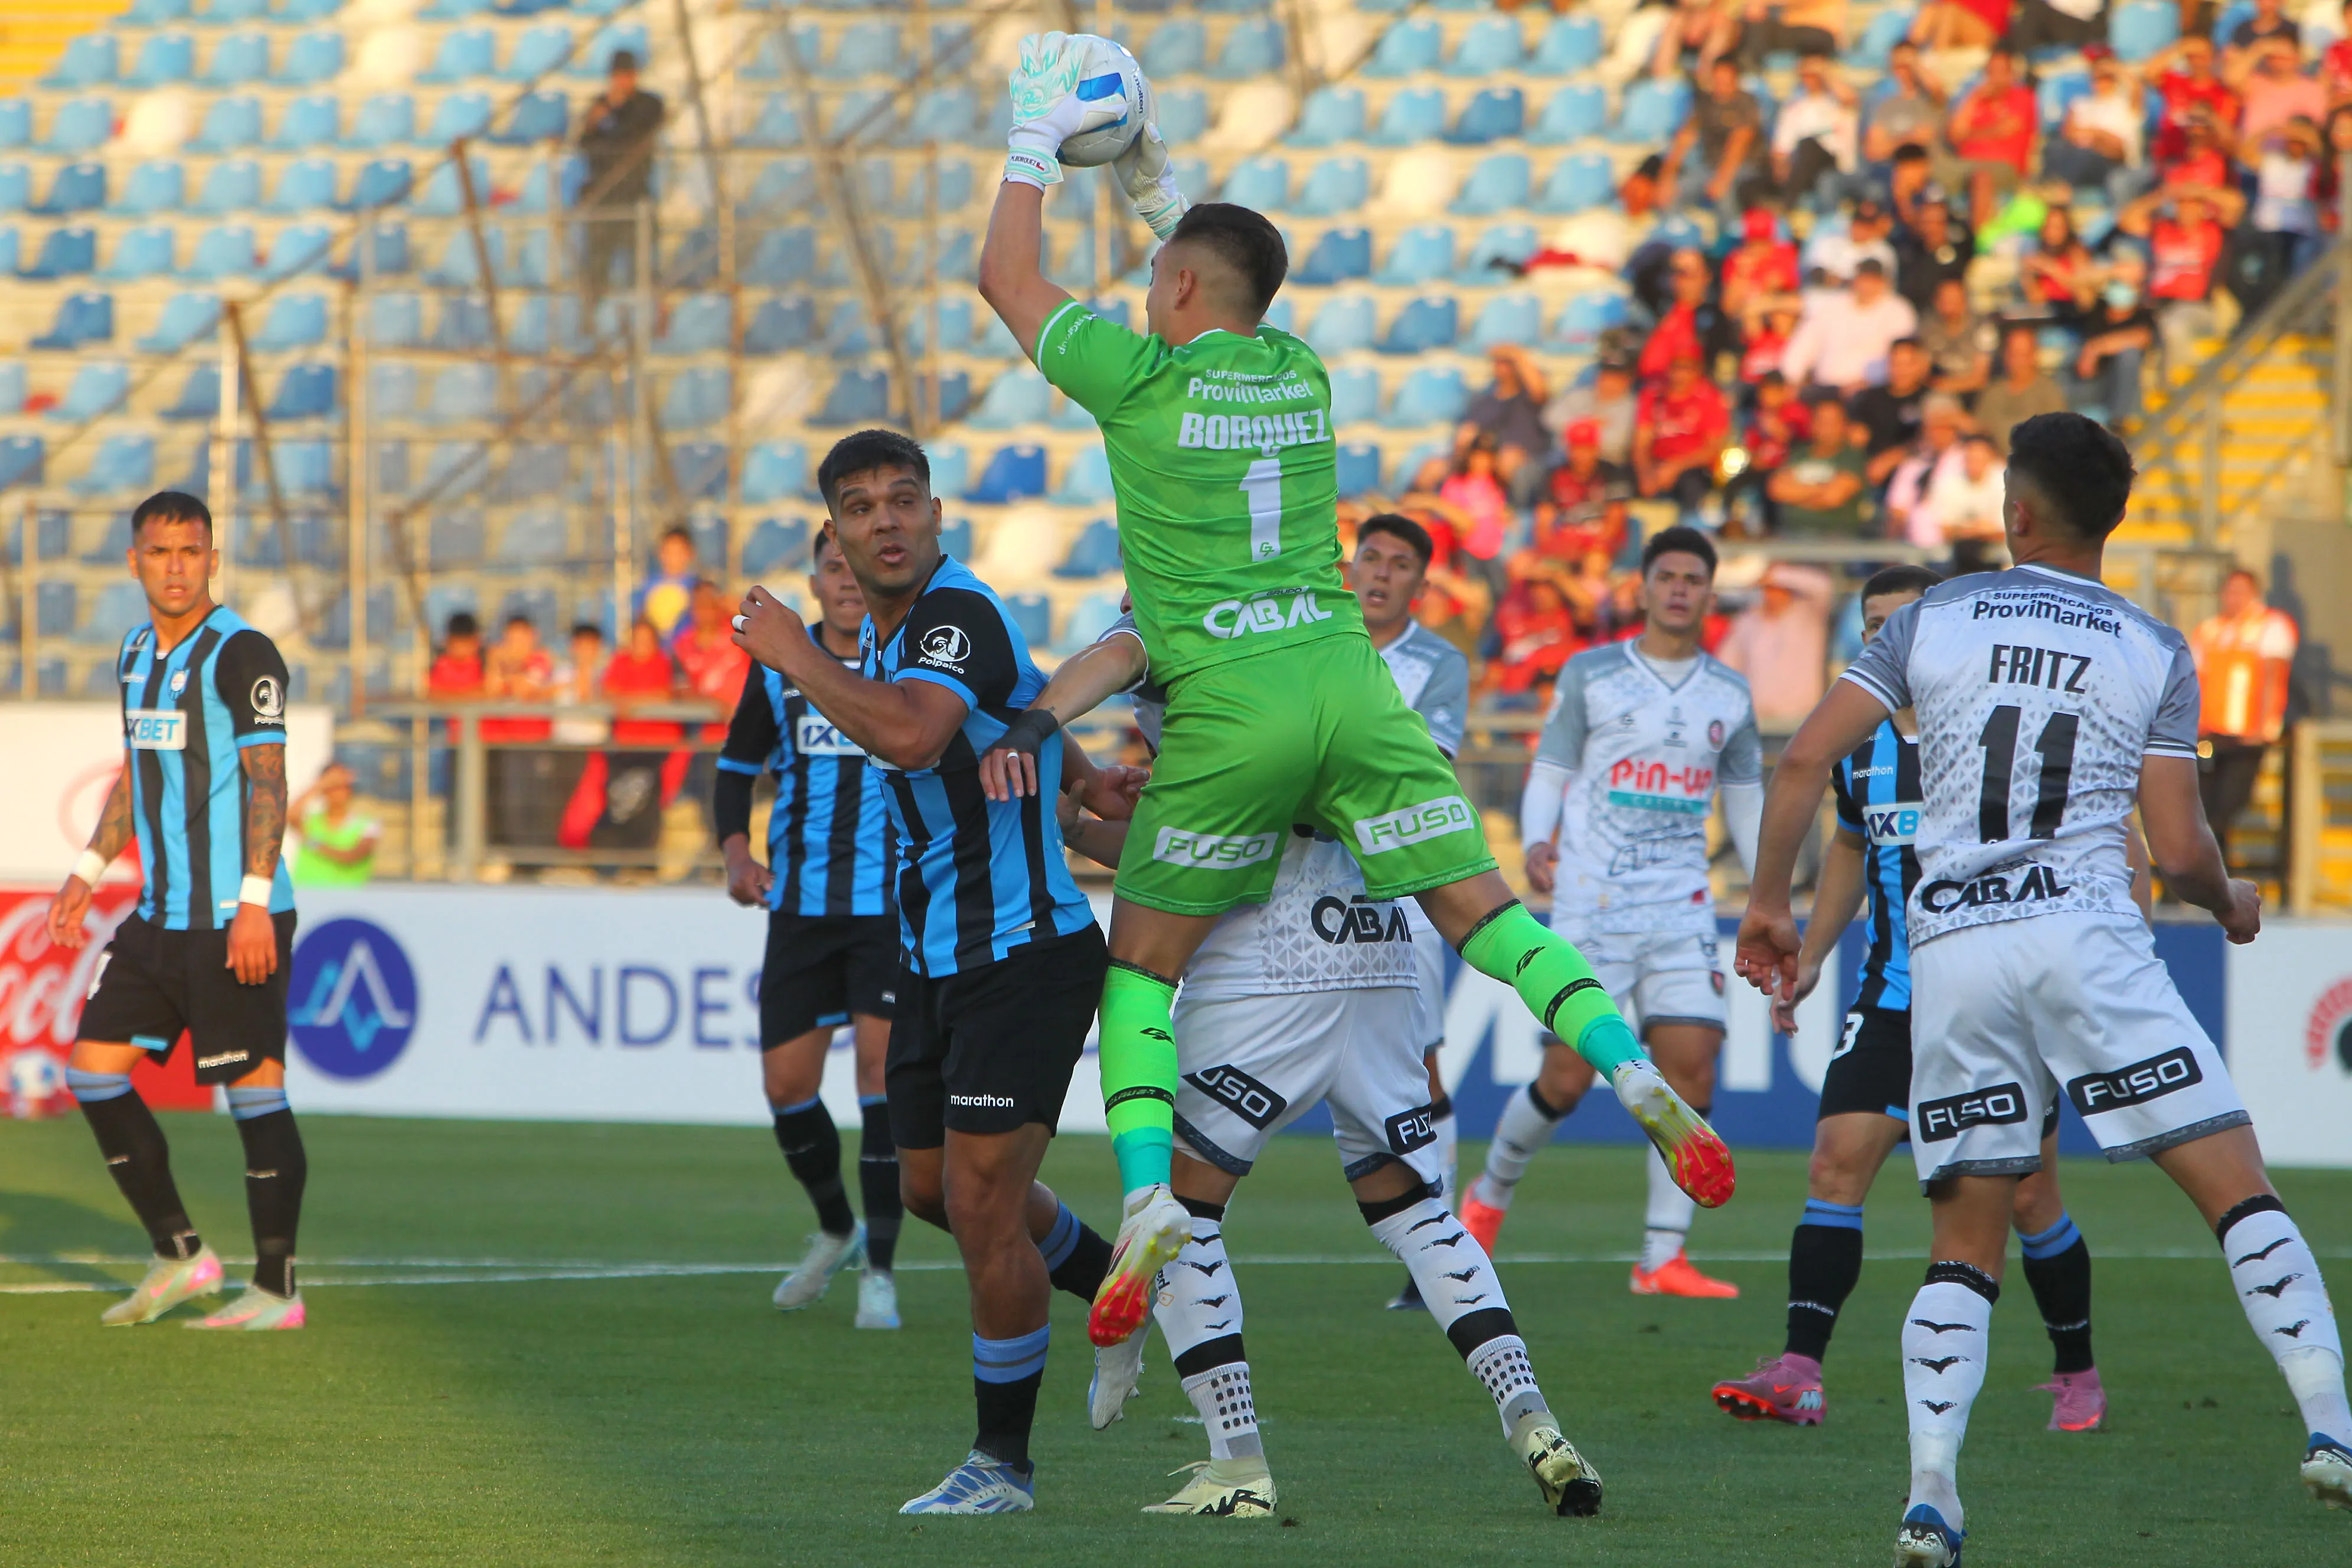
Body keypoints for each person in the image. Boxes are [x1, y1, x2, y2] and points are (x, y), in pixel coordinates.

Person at [976, 38, 1732, 1372]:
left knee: (1142, 967)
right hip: (1348, 683)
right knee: (1484, 912)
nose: (1144, 293)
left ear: (1183, 290)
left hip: (1229, 706)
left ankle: (1153, 1193)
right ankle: (1626, 1065)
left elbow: (1007, 276)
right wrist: (1155, 188)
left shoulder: (1139, 380)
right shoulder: (1301, 375)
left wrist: (1037, 147)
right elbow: (1227, 273)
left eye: (1156, 278)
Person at [1734, 412, 2352, 1562]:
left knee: (1965, 1238)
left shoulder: (1931, 615)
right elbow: (2176, 845)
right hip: (2088, 937)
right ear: (2112, 519)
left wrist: (1768, 900)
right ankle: (2331, 1424)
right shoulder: (2158, 647)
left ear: (2016, 513)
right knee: (2236, 1187)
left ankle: (1931, 1493)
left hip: (1958, 952)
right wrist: (2231, 903)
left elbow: (1809, 757)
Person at [1011, 517, 1605, 1517]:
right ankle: (1534, 1422)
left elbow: (1187, 848)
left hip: (1261, 961)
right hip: (1378, 948)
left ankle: (1234, 1462)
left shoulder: (1177, 626)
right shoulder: (1335, 637)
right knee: (1412, 1206)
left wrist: (1057, 799)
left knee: (1182, 1213)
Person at [729, 428, 1125, 1515]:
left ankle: (1002, 1465)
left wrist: (792, 657)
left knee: (981, 1201)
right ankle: (1146, 1294)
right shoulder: (885, 647)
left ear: (935, 516)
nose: (885, 520)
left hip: (1023, 956)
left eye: (903, 499)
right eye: (860, 508)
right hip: (933, 960)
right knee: (922, 1189)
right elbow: (1013, 713)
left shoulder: (954, 613)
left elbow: (913, 739)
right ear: (838, 540)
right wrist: (1080, 780)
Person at [1711, 565, 2112, 1433]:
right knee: (1834, 1163)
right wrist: (1812, 958)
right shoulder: (1857, 749)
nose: (1890, 640)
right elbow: (1853, 851)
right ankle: (1799, 1370)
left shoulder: (2002, 729)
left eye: (1906, 622)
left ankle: (2077, 1369)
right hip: (1892, 996)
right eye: (1875, 626)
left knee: (2032, 1197)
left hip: (2002, 1007)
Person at [1462, 528, 1763, 1300]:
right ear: (1642, 587)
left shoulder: (1728, 694)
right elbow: (1552, 766)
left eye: (1694, 579)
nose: (1678, 590)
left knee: (1692, 1068)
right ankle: (1487, 1201)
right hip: (1592, 900)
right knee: (1565, 1079)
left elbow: (1747, 798)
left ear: (1708, 592)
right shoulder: (1593, 673)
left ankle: (1662, 1257)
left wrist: (1765, 890)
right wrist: (1535, 840)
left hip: (1682, 906)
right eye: (1666, 576)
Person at [44, 490, 307, 1331]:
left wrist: (257, 905)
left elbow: (269, 780)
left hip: (238, 915)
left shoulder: (241, 654)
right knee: (91, 1070)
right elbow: (135, 774)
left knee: (254, 1095)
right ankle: (182, 1257)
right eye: (160, 552)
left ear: (211, 559)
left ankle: (275, 1291)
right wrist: (88, 868)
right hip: (161, 916)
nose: (175, 566)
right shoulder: (133, 655)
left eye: (190, 551)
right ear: (134, 561)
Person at [716, 529, 903, 1331]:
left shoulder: (906, 664)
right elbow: (733, 767)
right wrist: (734, 852)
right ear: (818, 583)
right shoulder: (779, 671)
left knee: (878, 1077)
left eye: (857, 566)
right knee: (787, 1087)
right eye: (834, 567)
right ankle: (838, 1228)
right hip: (798, 909)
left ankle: (882, 1275)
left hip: (891, 911)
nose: (848, 579)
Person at [2190, 569, 2299, 863]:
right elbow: (2195, 680)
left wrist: (2264, 726)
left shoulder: (2269, 626)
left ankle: (2218, 871)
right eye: (2229, 591)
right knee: (2203, 806)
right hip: (2211, 734)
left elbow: (2273, 678)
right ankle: (2210, 871)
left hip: (2246, 736)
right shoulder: (2210, 629)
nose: (2234, 599)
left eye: (2241, 592)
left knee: (2229, 803)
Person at [576, 48, 665, 304]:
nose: (622, 81)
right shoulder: (601, 104)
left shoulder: (649, 104)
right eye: (617, 75)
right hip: (605, 195)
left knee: (643, 266)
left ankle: (646, 320)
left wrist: (609, 120)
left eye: (627, 75)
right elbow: (586, 144)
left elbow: (632, 134)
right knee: (597, 266)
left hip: (636, 193)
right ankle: (593, 319)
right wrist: (603, 121)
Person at [1718, 561, 1834, 729]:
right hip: (1757, 722)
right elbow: (1726, 667)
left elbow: (1823, 587)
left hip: (1802, 721)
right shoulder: (1747, 621)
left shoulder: (1808, 615)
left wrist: (1776, 574)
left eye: (1778, 588)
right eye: (1768, 588)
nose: (1772, 593)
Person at [1782, 258, 1919, 394]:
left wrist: (1869, 382)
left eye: (1874, 280)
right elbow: (1804, 344)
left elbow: (1901, 356)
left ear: (1884, 282)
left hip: (1874, 390)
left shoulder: (1899, 310)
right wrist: (1792, 379)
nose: (1868, 285)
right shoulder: (1832, 306)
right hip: (1826, 388)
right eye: (1864, 279)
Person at [482, 612, 557, 850]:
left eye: (519, 638)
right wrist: (495, 663)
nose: (514, 644)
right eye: (510, 638)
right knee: (511, 801)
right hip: (509, 740)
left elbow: (524, 690)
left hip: (537, 740)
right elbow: (491, 690)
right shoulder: (502, 661)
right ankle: (515, 856)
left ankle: (536, 857)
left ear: (532, 636)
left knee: (537, 801)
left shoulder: (541, 659)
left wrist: (507, 665)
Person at [1943, 47, 2037, 226]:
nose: (1996, 77)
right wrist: (1974, 99)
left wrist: (1970, 135)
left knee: (1982, 178)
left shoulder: (2022, 97)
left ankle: (1979, 242)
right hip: (1965, 165)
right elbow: (1954, 134)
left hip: (2005, 167)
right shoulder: (1977, 99)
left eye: (2001, 72)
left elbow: (2006, 129)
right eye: (1991, 72)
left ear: (2012, 74)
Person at [1634, 351, 1732, 520]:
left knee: (1691, 485)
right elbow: (1641, 442)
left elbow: (1713, 448)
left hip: (1691, 466)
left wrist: (1675, 467)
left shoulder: (1709, 398)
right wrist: (1646, 473)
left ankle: (1689, 533)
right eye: (1677, 368)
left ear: (1697, 371)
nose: (1681, 375)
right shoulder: (1653, 396)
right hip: (1657, 463)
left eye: (1687, 369)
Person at [1664, 57, 1769, 213]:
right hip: (1710, 166)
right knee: (1675, 192)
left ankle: (1729, 234)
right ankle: (1676, 232)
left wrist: (1722, 179)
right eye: (1718, 81)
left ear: (1736, 80)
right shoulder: (1704, 103)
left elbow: (1740, 142)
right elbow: (1685, 138)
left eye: (1726, 81)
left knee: (1726, 195)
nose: (1721, 87)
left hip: (1745, 166)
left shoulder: (1746, 103)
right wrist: (1667, 177)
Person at [1766, 395, 1871, 537]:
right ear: (1813, 424)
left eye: (1833, 422)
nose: (1827, 428)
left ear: (1845, 425)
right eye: (1822, 421)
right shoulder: (1799, 454)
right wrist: (1821, 490)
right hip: (1791, 537)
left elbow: (1833, 497)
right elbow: (1777, 489)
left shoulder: (1852, 457)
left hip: (1836, 540)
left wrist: (1795, 493)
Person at [2044, 51, 2145, 197]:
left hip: (2112, 163)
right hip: (2079, 155)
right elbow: (2069, 132)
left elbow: (2137, 88)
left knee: (2085, 155)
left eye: (2107, 78)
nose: (2101, 83)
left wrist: (2112, 67)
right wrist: (2096, 135)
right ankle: (2049, 187)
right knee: (2054, 147)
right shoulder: (2081, 104)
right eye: (2097, 78)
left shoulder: (2125, 104)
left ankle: (2063, 190)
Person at [1767, 54, 1859, 209]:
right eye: (1805, 75)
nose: (1809, 79)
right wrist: (1780, 169)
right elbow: (1781, 149)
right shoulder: (1793, 108)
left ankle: (1787, 204)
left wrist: (1824, 72)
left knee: (1810, 146)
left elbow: (1851, 99)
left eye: (1814, 75)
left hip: (1835, 163)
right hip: (1801, 166)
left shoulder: (1838, 104)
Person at [1974, 322, 2070, 453]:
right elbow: (1979, 429)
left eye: (2024, 355)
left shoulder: (2048, 391)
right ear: (2006, 356)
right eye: (2014, 354)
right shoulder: (1993, 392)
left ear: (2034, 356)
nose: (2018, 361)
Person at [1848, 335, 1933, 481]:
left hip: (1912, 474)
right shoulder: (1870, 397)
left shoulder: (1931, 399)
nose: (1901, 371)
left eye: (1908, 364)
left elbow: (1932, 440)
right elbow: (1855, 435)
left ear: (1921, 365)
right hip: (1868, 470)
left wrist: (1896, 457)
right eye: (1895, 364)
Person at [290, 760, 378, 887]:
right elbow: (290, 816)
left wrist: (313, 843)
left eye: (341, 787)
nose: (337, 793)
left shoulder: (368, 825)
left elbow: (351, 857)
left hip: (347, 901)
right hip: (307, 897)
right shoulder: (311, 821)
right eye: (332, 788)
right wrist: (321, 784)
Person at [1891, 190, 1976, 316]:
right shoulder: (1909, 254)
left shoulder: (1961, 252)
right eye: (1927, 223)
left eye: (1937, 223)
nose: (1932, 228)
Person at [1920, 277, 1993, 400]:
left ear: (1965, 301)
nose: (1950, 306)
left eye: (1955, 300)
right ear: (1936, 301)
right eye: (1945, 300)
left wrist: (1942, 385)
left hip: (1977, 394)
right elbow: (1922, 369)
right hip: (1939, 391)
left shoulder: (1983, 327)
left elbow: (1979, 379)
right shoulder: (1927, 326)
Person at [637, 526, 700, 646]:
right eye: (668, 552)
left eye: (678, 553)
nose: (673, 558)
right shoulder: (649, 586)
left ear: (690, 554)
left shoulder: (696, 587)